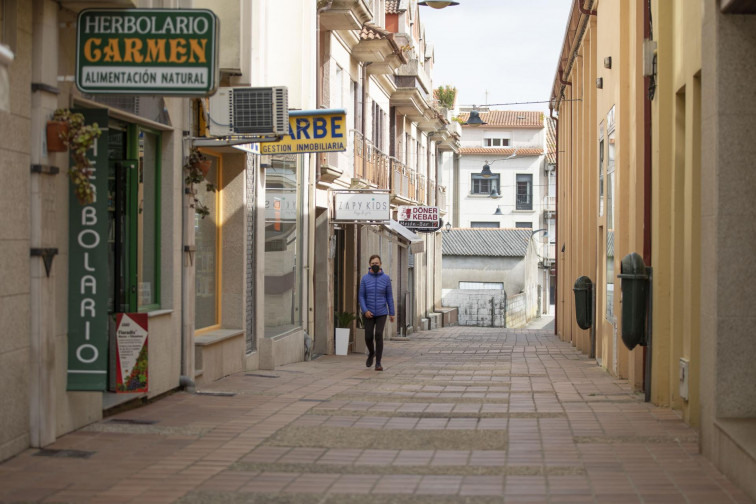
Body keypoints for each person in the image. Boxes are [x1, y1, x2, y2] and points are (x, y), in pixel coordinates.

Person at [358, 254, 395, 371]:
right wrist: (365, 310)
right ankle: (371, 353)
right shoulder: (364, 279)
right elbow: (361, 296)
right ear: (370, 264)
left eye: (377, 263)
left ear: (380, 264)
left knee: (378, 335)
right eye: (373, 263)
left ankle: (378, 363)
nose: (375, 265)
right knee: (368, 336)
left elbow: (389, 296)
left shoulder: (386, 279)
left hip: (381, 312)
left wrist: (392, 313)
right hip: (368, 312)